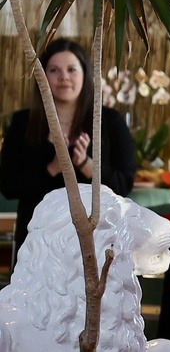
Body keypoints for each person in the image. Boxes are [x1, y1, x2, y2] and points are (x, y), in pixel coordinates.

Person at [0, 37, 138, 253]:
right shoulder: (23, 122)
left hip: (97, 239)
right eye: (54, 70)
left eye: (71, 69)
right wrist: (53, 167)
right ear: (42, 75)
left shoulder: (109, 121)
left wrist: (85, 164)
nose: (63, 77)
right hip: (38, 241)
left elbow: (123, 184)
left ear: (85, 74)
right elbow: (8, 186)